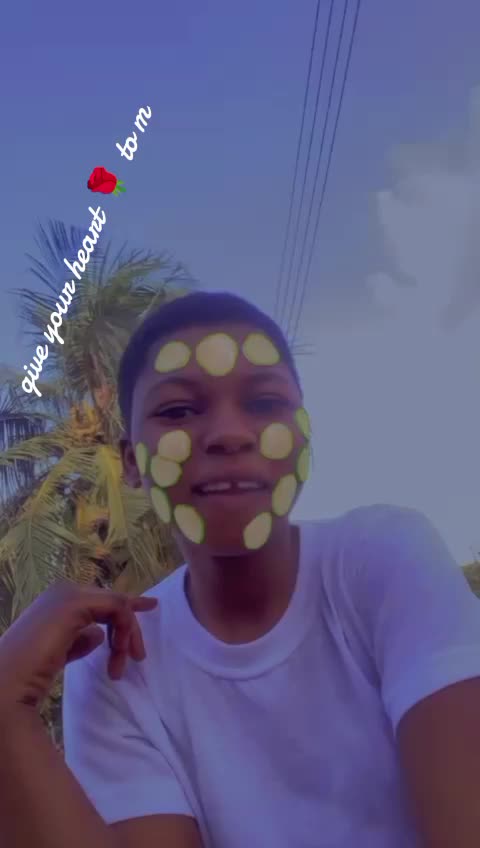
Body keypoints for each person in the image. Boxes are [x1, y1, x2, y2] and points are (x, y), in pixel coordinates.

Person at [1, 291, 480, 848]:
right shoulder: (116, 666)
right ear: (132, 462)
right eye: (178, 411)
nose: (230, 433)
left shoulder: (382, 558)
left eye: (264, 401)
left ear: (303, 435)